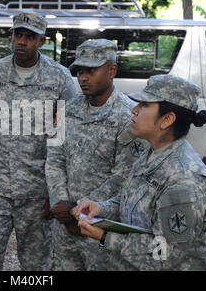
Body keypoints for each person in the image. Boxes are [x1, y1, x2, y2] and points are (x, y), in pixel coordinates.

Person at [0, 12, 78, 270]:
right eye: (18, 35)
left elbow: (71, 137)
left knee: (36, 266)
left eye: (29, 37)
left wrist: (58, 193)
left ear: (42, 41)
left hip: (38, 193)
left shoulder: (60, 78)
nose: (21, 42)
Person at [74, 74, 206, 270]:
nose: (133, 110)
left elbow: (164, 254)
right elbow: (131, 201)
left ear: (167, 119)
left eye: (143, 105)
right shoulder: (153, 152)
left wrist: (105, 237)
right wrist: (102, 208)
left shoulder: (183, 179)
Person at [45, 39, 146, 270]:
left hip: (102, 228)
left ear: (111, 70)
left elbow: (124, 176)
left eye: (91, 70)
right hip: (64, 226)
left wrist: (76, 209)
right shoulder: (68, 110)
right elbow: (54, 159)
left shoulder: (128, 116)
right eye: (80, 70)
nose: (83, 77)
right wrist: (61, 203)